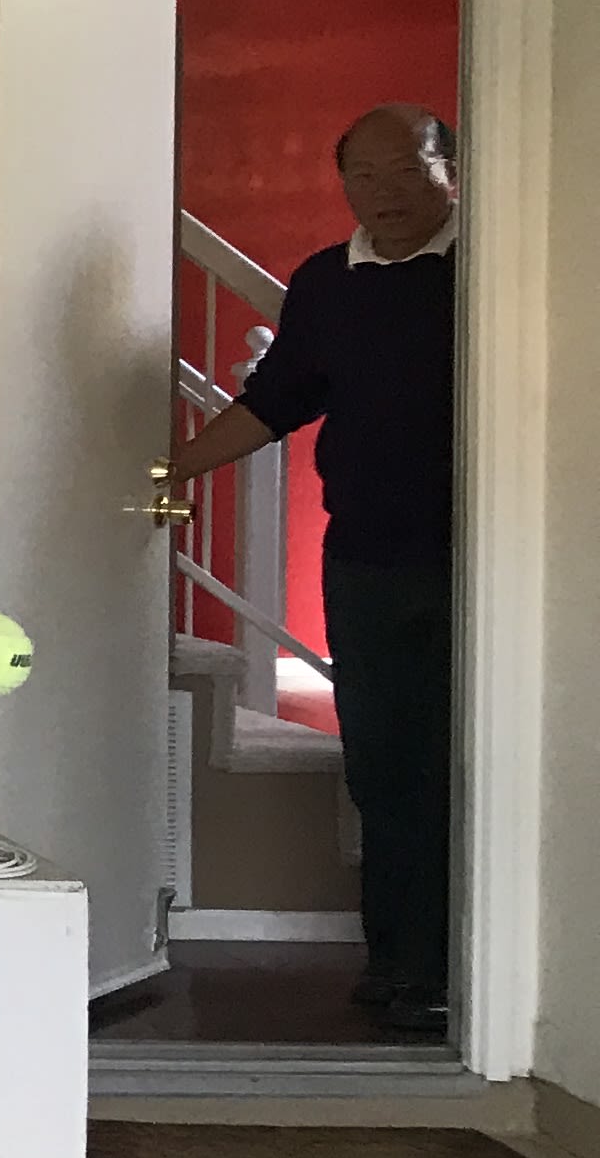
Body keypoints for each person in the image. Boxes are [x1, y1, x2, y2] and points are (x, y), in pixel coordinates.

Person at [162, 104, 457, 1038]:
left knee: (461, 765)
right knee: (381, 764)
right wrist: (169, 475)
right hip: (365, 559)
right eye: (364, 176)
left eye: (408, 171)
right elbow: (277, 399)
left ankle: (452, 972)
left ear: (450, 171)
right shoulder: (328, 282)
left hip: (480, 566)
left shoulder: (492, 270)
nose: (385, 194)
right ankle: (397, 961)